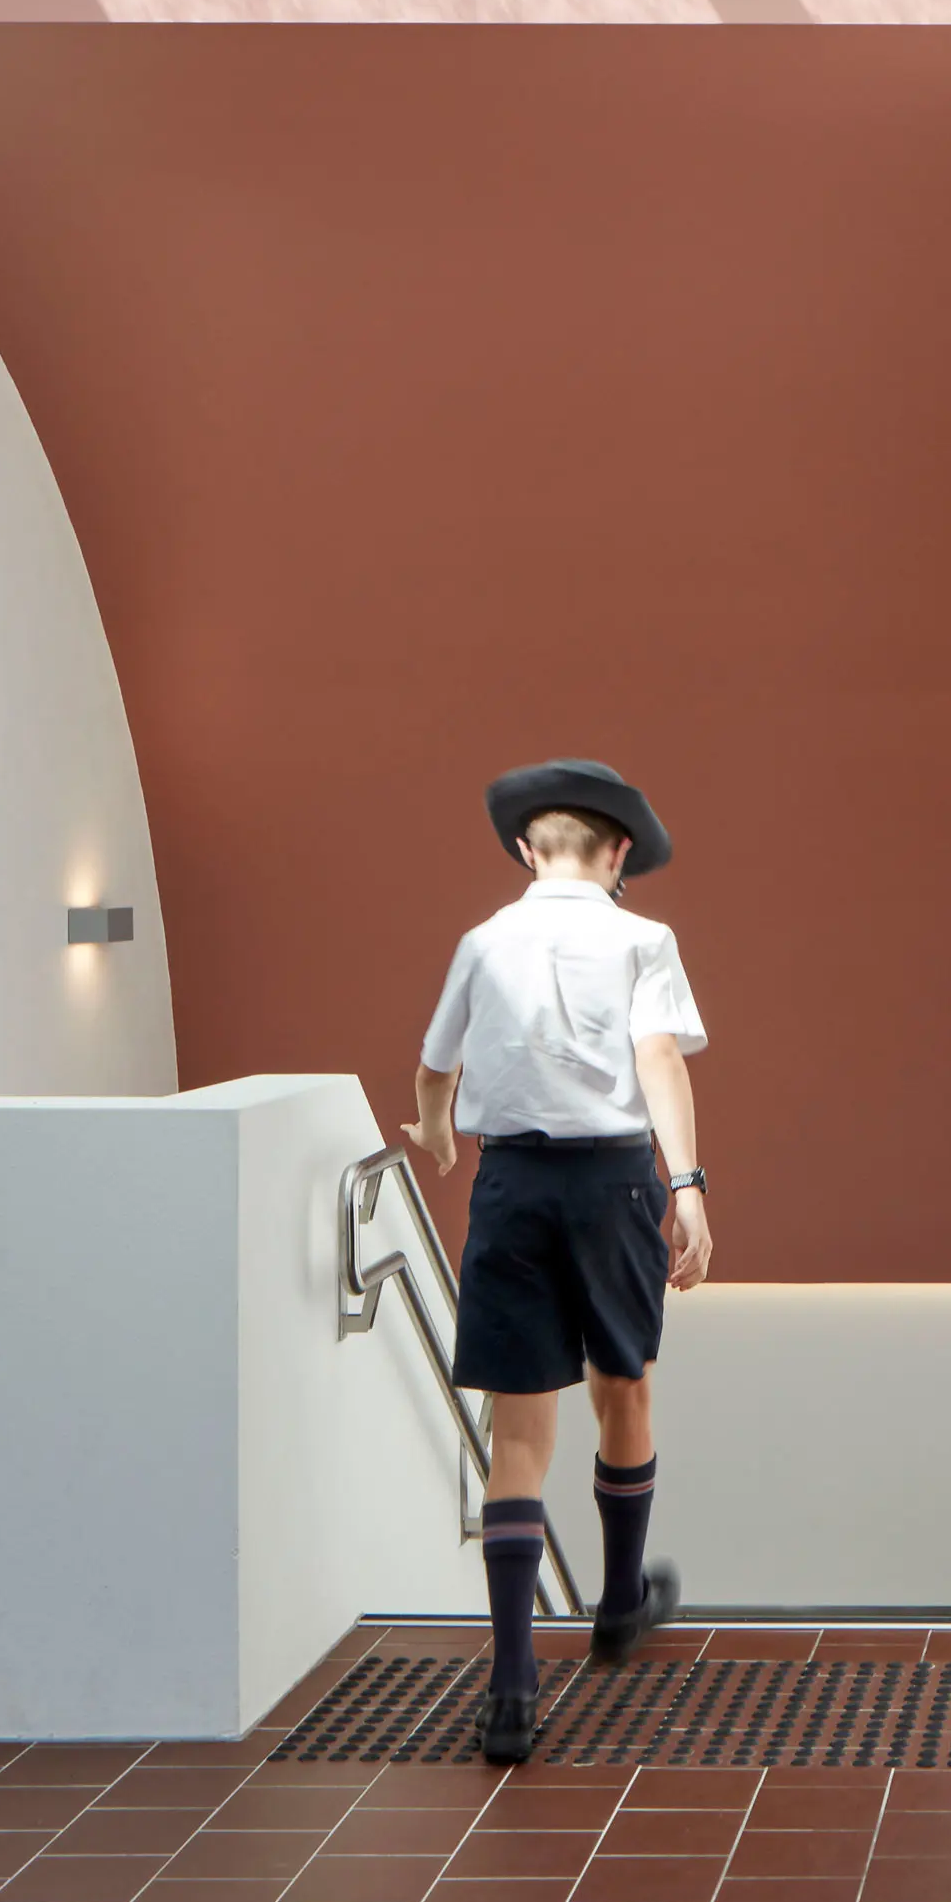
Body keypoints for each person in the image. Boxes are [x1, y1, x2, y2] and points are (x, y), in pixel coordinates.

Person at [406, 756, 712, 1764]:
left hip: (511, 1187)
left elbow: (434, 1063)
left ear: (525, 850)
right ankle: (619, 1605)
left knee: (516, 1438)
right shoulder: (643, 937)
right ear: (619, 851)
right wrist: (689, 1185)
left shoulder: (483, 939)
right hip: (614, 1181)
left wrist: (436, 1130)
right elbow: (658, 1057)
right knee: (623, 1387)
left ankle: (509, 1685)